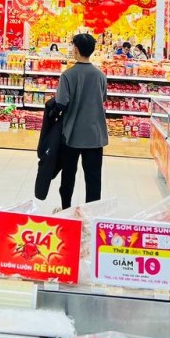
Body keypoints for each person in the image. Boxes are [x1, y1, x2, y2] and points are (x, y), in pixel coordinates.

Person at [55, 33, 108, 209]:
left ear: (76, 49)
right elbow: (103, 98)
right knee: (93, 178)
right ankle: (91, 214)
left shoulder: (67, 75)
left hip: (71, 134)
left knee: (68, 175)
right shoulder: (100, 75)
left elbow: (61, 103)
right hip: (95, 134)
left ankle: (66, 209)